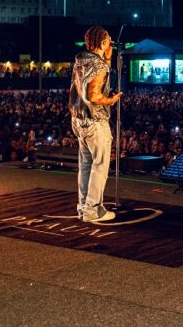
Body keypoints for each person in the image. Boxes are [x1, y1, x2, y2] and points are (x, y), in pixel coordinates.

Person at [69, 26, 123, 222]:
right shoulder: (100, 66)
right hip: (95, 120)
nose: (110, 43)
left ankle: (83, 207)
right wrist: (111, 100)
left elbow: (93, 77)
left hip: (79, 119)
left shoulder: (81, 61)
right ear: (102, 43)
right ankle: (94, 210)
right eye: (108, 40)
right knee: (100, 166)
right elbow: (93, 94)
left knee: (85, 165)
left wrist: (107, 57)